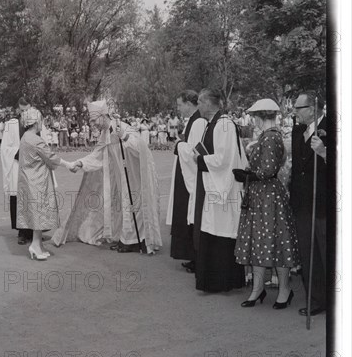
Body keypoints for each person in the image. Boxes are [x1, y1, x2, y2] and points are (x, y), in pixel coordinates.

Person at [53, 100, 162, 254]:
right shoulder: (105, 134)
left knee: (135, 206)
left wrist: (124, 137)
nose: (92, 124)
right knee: (124, 207)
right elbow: (97, 156)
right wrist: (80, 163)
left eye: (94, 120)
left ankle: (137, 241)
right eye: (90, 120)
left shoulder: (122, 127)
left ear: (103, 116)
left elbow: (141, 148)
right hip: (121, 177)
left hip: (134, 176)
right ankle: (127, 239)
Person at [233, 99, 300, 308]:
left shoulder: (270, 138)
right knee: (261, 241)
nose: (253, 121)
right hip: (263, 194)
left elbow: (268, 170)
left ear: (261, 117)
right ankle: (259, 288)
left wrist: (247, 176)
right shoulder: (270, 136)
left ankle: (283, 290)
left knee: (274, 241)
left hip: (267, 194)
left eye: (255, 117)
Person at [190, 88, 247, 292]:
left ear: (208, 103)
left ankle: (224, 281)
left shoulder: (223, 125)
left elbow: (224, 158)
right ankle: (212, 280)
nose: (198, 106)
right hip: (213, 185)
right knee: (212, 228)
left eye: (199, 102)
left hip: (224, 187)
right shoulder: (212, 124)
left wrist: (200, 158)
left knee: (222, 231)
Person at [16, 107, 73, 260]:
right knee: (39, 212)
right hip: (37, 180)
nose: (42, 123)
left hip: (30, 178)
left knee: (37, 212)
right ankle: (35, 244)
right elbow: (51, 157)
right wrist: (69, 165)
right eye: (40, 120)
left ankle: (38, 245)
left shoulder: (25, 137)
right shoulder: (35, 139)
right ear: (35, 122)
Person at [290, 91, 327, 316]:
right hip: (302, 203)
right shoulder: (297, 131)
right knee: (308, 253)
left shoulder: (333, 128)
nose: (294, 112)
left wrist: (324, 152)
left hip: (323, 204)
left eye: (298, 108)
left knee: (327, 253)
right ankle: (316, 299)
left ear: (312, 109)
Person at [166, 90, 208, 272]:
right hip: (184, 170)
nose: (178, 108)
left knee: (190, 212)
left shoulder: (198, 121)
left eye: (180, 104)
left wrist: (180, 145)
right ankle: (191, 254)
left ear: (189, 104)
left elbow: (194, 150)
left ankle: (196, 256)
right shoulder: (193, 120)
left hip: (189, 172)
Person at [1, 98, 34, 245]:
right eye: (22, 110)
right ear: (18, 110)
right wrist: (18, 152)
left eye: (27, 110)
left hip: (34, 166)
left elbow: (44, 143)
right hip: (17, 164)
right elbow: (4, 148)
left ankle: (34, 231)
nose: (25, 113)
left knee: (33, 197)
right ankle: (22, 232)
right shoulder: (11, 124)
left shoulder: (38, 123)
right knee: (19, 198)